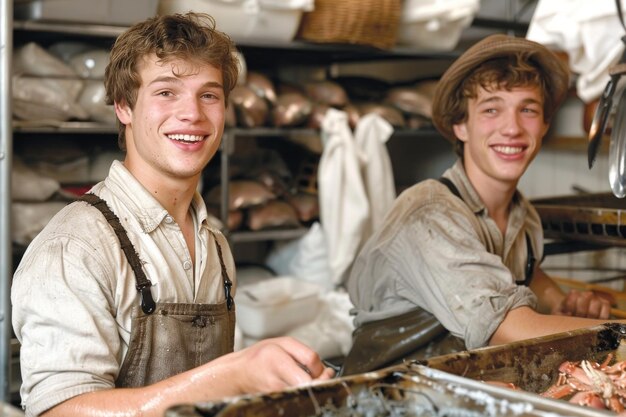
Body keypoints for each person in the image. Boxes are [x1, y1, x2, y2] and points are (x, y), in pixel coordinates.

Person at [11, 12, 334, 417]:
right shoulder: (75, 247)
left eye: (209, 95)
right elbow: (60, 411)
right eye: (166, 93)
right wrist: (232, 375)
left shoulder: (213, 242)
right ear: (124, 106)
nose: (193, 114)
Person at [342, 34, 619, 375]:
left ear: (544, 124)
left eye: (528, 109)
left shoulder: (523, 215)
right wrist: (619, 338)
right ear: (460, 125)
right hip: (387, 398)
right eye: (491, 109)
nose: (512, 128)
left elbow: (525, 273)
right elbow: (506, 328)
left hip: (464, 388)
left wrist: (562, 302)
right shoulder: (430, 215)